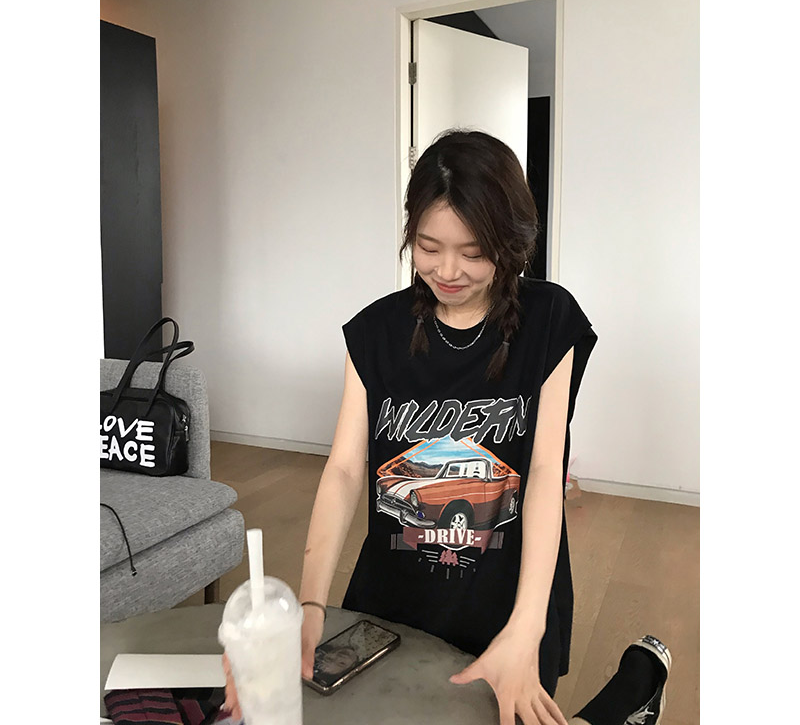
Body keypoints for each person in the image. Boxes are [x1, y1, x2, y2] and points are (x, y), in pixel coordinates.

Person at [225, 129, 600, 724]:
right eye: (428, 246)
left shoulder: (550, 320)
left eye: (474, 252)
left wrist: (527, 626)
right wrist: (312, 604)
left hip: (510, 601)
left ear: (512, 244)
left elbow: (544, 471)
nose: (447, 270)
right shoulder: (375, 332)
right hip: (394, 599)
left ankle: (633, 687)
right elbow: (345, 470)